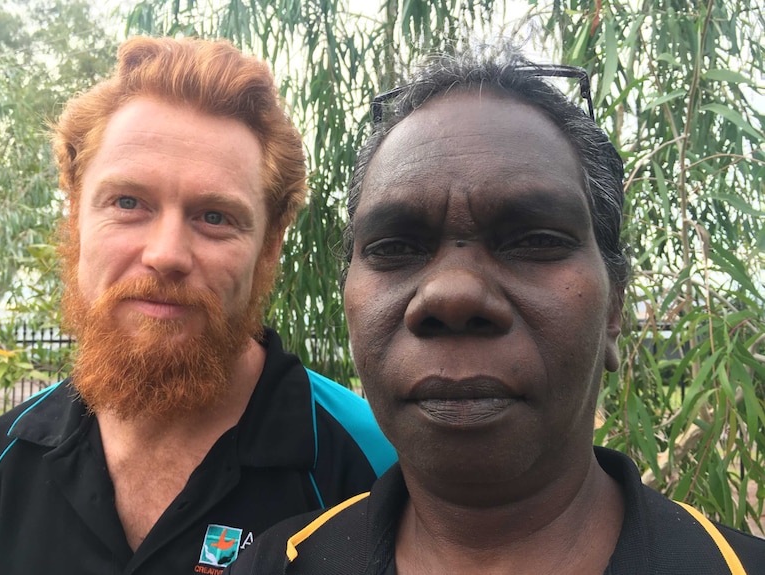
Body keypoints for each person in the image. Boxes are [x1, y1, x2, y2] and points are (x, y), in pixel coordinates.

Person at [224, 45, 765, 574]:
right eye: (394, 248)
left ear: (614, 309)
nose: (452, 295)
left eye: (535, 240)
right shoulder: (279, 564)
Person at [0, 36, 395, 575]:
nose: (166, 255)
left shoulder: (380, 464)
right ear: (75, 217)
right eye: (128, 203)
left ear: (270, 245)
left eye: (214, 217)